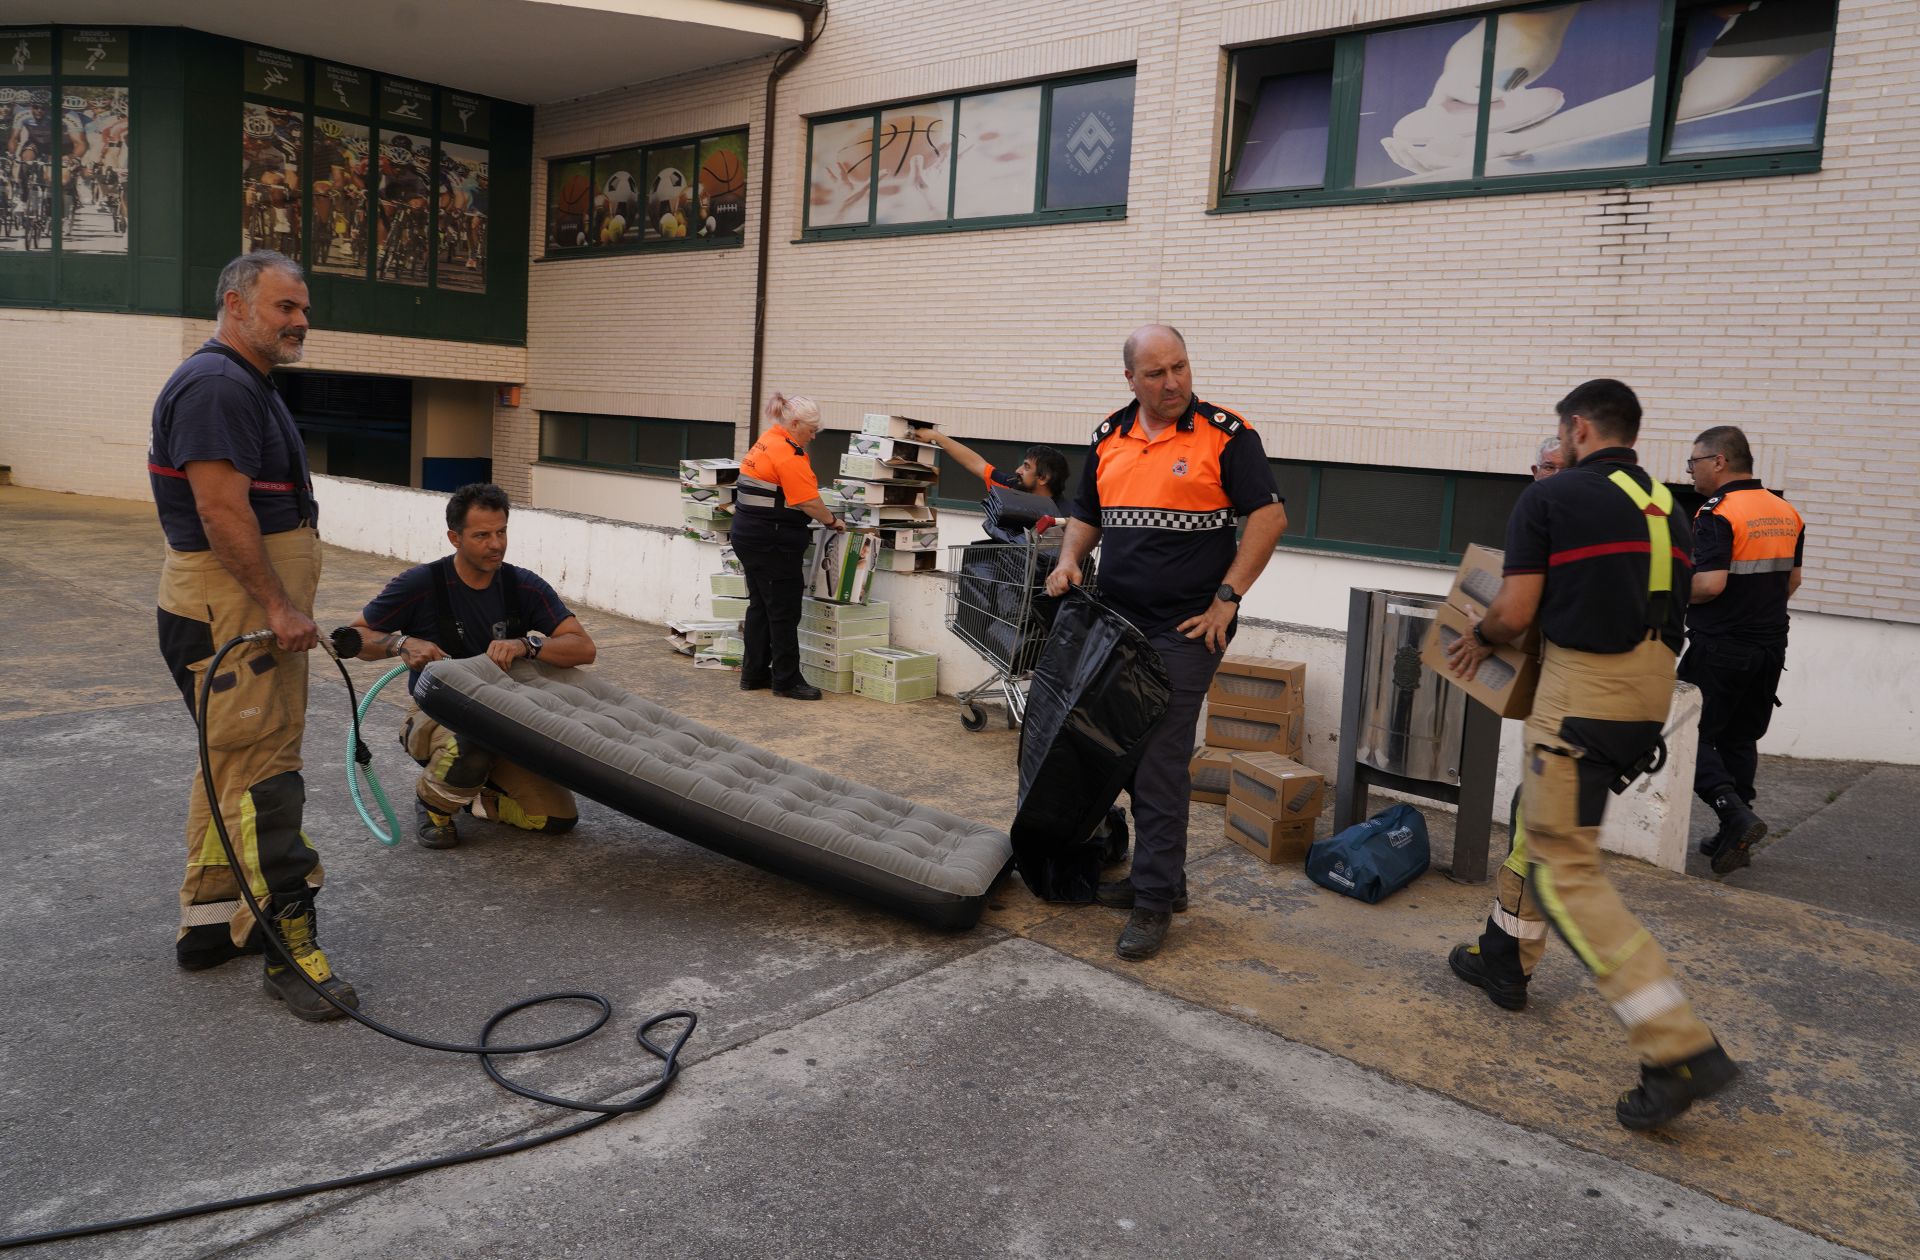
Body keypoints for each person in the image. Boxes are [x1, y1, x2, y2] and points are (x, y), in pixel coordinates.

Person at [1445, 379, 1739, 1131]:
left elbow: (1513, 611)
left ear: (1579, 428)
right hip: (1646, 699)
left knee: (1564, 869)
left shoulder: (1552, 499)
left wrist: (1476, 639)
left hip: (1580, 699)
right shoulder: (1667, 505)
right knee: (1539, 835)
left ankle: (1679, 1047)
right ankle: (1501, 957)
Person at [149, 250, 356, 1023]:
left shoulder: (243, 382)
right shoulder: (215, 385)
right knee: (265, 773)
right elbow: (221, 512)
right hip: (233, 609)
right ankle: (290, 953)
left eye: (302, 309)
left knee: (227, 765)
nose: (301, 322)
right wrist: (277, 603)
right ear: (236, 304)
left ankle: (209, 924)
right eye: (285, 308)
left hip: (235, 604)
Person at [1045, 325, 1287, 961]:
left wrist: (1226, 601)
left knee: (1158, 755)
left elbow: (1269, 516)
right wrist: (1070, 560)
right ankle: (1166, 878)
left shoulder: (1227, 434)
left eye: (1179, 367)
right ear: (1130, 379)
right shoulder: (1108, 436)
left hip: (1187, 628)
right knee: (1116, 749)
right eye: (1155, 373)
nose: (1173, 381)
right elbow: (1087, 516)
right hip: (1116, 623)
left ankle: (1154, 902)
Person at [350, 484, 595, 849]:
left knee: (556, 819)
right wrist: (401, 643)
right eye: (482, 535)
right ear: (455, 537)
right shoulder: (422, 583)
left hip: (509, 714)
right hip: (439, 717)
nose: (495, 544)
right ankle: (434, 805)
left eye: (502, 532)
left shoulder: (522, 585)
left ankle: (479, 798)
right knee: (470, 744)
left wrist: (528, 645)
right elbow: (355, 637)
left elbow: (583, 647)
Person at [1682, 424, 1805, 875]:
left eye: (1693, 462)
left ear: (1719, 461)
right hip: (1771, 646)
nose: (1691, 471)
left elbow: (1710, 584)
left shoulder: (1717, 512)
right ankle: (1734, 832)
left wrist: (1669, 591)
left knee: (1686, 734)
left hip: (1722, 646)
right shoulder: (1786, 511)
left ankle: (1734, 814)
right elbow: (1792, 581)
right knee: (1738, 737)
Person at [732, 392, 846, 701]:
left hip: (749, 536)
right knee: (783, 612)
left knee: (761, 607)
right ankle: (786, 680)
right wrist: (832, 520)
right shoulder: (788, 453)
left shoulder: (768, 439)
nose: (812, 437)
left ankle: (754, 673)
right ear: (794, 423)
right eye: (810, 430)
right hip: (773, 541)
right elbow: (808, 500)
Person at [908, 425, 1071, 534]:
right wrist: (937, 437)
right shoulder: (1011, 489)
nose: (1018, 470)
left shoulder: (1065, 517)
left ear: (1043, 478)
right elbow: (978, 464)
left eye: (1026, 467)